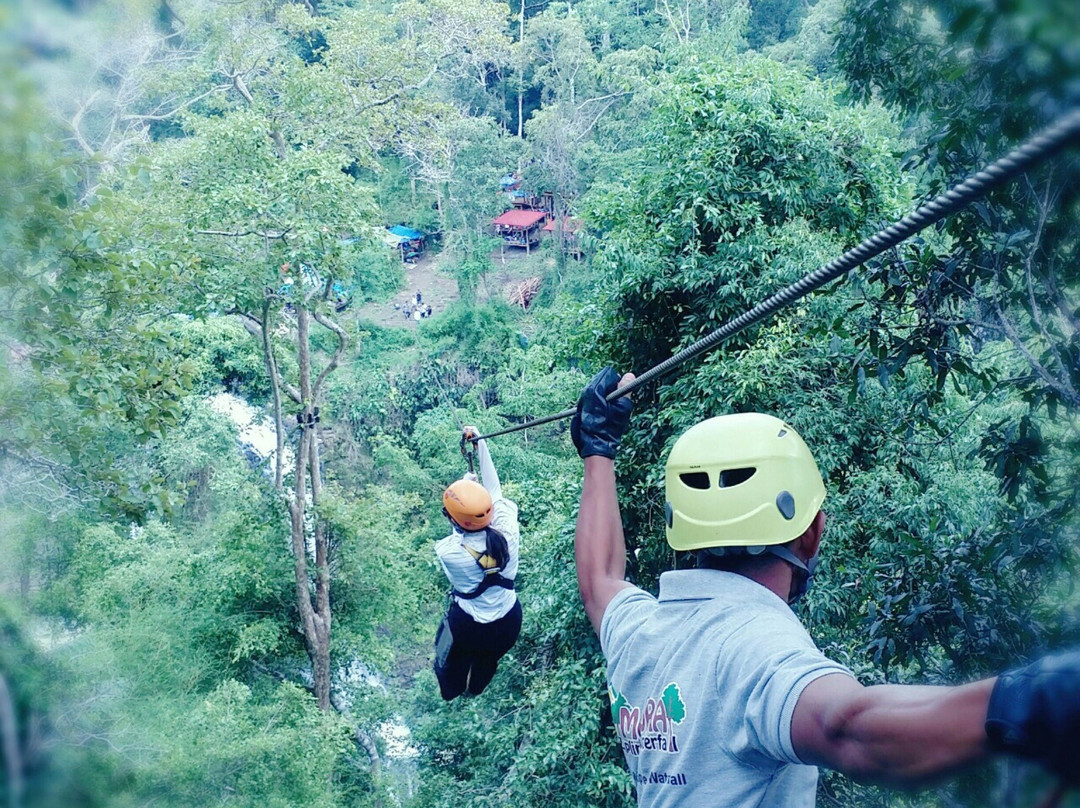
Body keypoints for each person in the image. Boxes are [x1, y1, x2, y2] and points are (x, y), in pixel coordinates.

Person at [571, 366, 1080, 807]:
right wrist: (1023, 702)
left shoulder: (643, 630)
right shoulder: (755, 648)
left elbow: (600, 579)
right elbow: (850, 726)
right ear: (811, 533)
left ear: (680, 527)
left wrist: (599, 450)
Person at [434, 427, 522, 700]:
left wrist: (465, 482)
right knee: (489, 658)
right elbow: (494, 491)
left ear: (454, 519)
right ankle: (476, 688)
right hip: (508, 623)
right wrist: (480, 443)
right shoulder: (507, 529)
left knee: (448, 663)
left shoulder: (449, 552)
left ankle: (453, 691)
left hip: (468, 625)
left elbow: (459, 534)